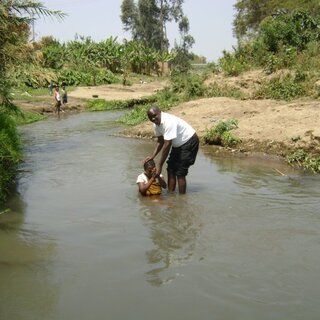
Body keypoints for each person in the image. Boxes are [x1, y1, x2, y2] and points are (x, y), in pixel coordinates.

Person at [145, 106, 199, 194]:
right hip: (177, 145)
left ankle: (181, 200)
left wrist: (159, 165)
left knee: (180, 173)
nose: (153, 118)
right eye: (151, 118)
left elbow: (167, 144)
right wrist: (153, 155)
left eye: (155, 115)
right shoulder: (156, 125)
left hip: (189, 141)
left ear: (160, 112)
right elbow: (160, 141)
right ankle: (171, 196)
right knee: (171, 169)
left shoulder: (168, 121)